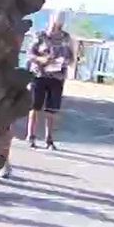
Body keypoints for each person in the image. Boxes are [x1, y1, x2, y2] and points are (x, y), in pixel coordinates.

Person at [25, 11, 73, 149]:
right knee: (35, 107)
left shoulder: (65, 37)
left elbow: (70, 56)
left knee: (51, 110)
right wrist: (42, 59)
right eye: (53, 24)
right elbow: (30, 53)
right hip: (39, 74)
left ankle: (49, 139)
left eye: (58, 25)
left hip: (56, 76)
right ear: (49, 21)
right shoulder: (40, 35)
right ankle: (31, 136)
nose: (54, 28)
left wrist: (64, 62)